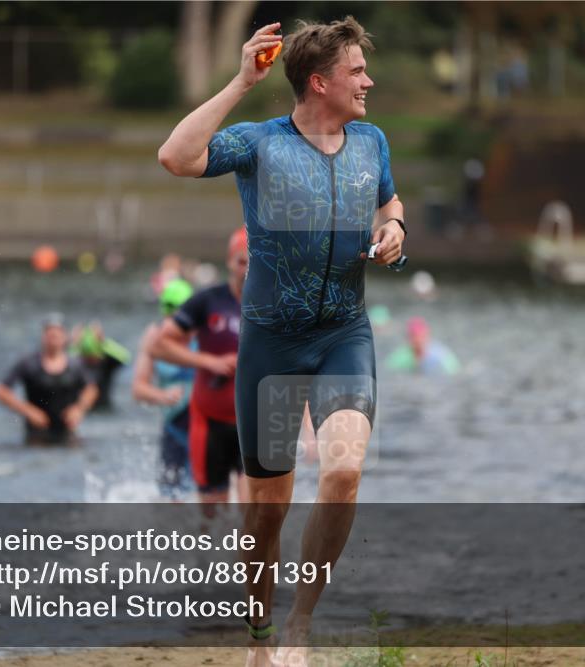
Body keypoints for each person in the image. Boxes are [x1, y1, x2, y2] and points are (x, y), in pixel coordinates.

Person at [158, 16, 406, 666]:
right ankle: (259, 634)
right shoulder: (260, 143)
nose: (368, 82)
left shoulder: (371, 141)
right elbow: (176, 157)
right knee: (267, 512)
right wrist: (242, 81)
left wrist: (395, 230)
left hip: (343, 334)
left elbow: (390, 203)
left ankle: (301, 621)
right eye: (357, 71)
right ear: (320, 82)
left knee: (344, 473)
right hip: (271, 349)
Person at [150, 230, 248, 507]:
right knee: (212, 514)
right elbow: (159, 346)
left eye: (254, 263)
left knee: (256, 511)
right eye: (241, 262)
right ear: (229, 261)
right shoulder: (208, 301)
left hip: (256, 423)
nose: (247, 270)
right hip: (210, 421)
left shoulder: (274, 304)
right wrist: (210, 362)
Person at [131, 278, 197, 500]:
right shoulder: (154, 337)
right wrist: (162, 395)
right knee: (171, 495)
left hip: (207, 424)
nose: (173, 317)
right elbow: (138, 389)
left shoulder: (205, 335)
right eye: (169, 309)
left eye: (179, 310)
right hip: (174, 426)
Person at [0, 314, 98, 445]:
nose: (53, 338)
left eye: (57, 334)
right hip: (36, 433)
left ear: (65, 337)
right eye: (49, 334)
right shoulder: (29, 363)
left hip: (67, 432)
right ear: (43, 336)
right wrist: (28, 411)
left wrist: (79, 409)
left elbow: (91, 389)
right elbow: (1, 391)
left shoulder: (76, 364)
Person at [71, 322, 131, 411]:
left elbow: (125, 357)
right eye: (87, 356)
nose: (91, 358)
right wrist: (73, 344)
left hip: (104, 408)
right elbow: (60, 362)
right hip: (81, 410)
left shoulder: (107, 363)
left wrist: (104, 342)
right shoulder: (75, 364)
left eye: (93, 355)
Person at [386, 316, 460, 376]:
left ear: (427, 336)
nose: (417, 341)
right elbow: (388, 370)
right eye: (413, 337)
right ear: (408, 339)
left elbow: (455, 372)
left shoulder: (440, 355)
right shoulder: (401, 355)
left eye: (420, 337)